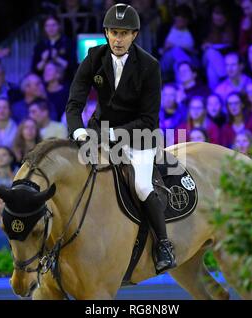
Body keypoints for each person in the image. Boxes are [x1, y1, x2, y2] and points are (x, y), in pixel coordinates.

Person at [66, 3, 176, 273]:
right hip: (98, 132)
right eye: (113, 32)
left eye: (124, 33)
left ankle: (163, 244)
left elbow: (150, 119)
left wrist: (112, 134)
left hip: (138, 136)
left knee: (141, 186)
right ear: (106, 32)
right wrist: (78, 130)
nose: (118, 39)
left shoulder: (149, 66)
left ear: (135, 35)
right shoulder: (94, 57)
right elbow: (74, 102)